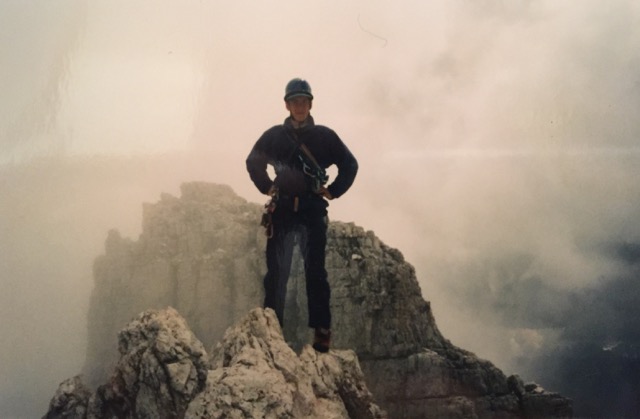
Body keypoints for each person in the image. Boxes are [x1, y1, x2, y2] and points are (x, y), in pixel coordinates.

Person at [246, 78, 358, 352]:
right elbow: (253, 162)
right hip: (282, 210)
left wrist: (333, 191)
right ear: (287, 104)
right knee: (276, 274)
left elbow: (350, 165)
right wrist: (267, 187)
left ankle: (321, 332)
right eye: (294, 101)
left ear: (310, 104)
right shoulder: (273, 136)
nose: (299, 106)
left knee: (315, 273)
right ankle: (272, 330)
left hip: (311, 211)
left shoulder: (325, 137)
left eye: (303, 101)